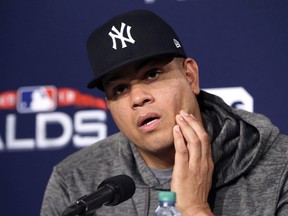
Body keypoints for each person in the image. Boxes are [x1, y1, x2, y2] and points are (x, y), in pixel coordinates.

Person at [40, 9, 288, 216]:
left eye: (152, 74)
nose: (137, 98)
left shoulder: (280, 165)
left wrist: (194, 209)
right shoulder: (75, 181)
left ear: (190, 76)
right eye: (120, 88)